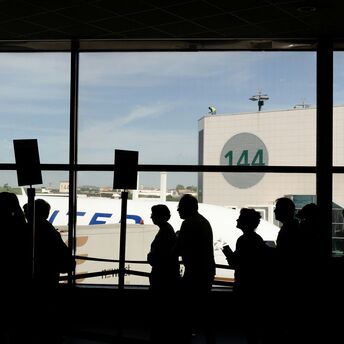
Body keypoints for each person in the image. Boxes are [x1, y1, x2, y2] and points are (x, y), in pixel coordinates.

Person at [222, 208, 271, 344]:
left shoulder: (243, 240)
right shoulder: (256, 239)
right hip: (255, 286)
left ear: (245, 223)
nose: (237, 220)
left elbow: (236, 262)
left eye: (240, 218)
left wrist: (226, 251)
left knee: (248, 324)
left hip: (245, 285)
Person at [175, 194, 216, 344]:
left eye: (180, 207)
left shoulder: (189, 223)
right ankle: (209, 338)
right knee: (203, 308)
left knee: (186, 309)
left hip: (195, 272)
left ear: (187, 208)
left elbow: (179, 249)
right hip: (205, 271)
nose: (178, 210)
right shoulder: (203, 222)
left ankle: (185, 337)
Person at [147, 204, 180, 343]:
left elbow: (161, 256)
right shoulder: (168, 231)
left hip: (162, 278)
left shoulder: (165, 233)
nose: (151, 217)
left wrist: (151, 257)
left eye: (153, 214)